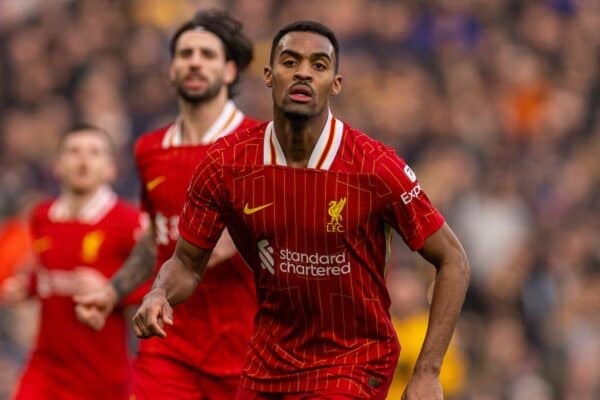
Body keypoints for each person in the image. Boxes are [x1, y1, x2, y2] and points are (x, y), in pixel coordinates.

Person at [133, 20, 470, 400]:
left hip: (352, 362)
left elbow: (453, 259)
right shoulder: (226, 164)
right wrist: (159, 293)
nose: (303, 73)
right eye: (290, 62)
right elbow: (187, 263)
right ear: (268, 74)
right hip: (268, 362)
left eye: (319, 65)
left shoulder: (374, 167)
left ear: (336, 83)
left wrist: (427, 371)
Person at [75, 10, 259, 400]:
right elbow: (154, 238)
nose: (194, 61)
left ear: (229, 71)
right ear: (171, 70)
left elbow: (244, 243)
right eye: (185, 53)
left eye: (207, 55)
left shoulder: (258, 144)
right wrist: (113, 291)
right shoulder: (149, 149)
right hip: (168, 345)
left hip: (247, 349)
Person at [0, 125, 145, 400]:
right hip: (47, 367)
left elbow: (160, 285)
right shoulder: (43, 217)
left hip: (103, 375)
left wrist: (111, 289)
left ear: (111, 168)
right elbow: (49, 274)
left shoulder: (128, 222)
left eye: (94, 153)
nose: (83, 160)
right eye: (73, 151)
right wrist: (26, 287)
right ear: (57, 165)